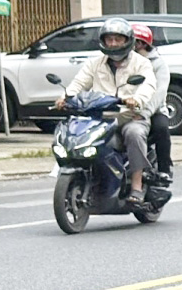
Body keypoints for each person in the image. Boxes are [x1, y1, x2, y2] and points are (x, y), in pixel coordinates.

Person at [55, 17, 157, 202]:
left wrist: (136, 100)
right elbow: (79, 83)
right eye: (109, 39)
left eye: (118, 39)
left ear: (128, 41)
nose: (113, 43)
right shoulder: (95, 63)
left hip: (129, 116)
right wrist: (65, 97)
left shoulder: (141, 63)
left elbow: (148, 85)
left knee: (134, 134)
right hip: (99, 118)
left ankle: (136, 185)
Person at [130, 23, 172, 181]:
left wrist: (144, 113)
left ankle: (164, 169)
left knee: (161, 129)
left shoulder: (159, 64)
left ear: (141, 44)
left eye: (130, 41)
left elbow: (159, 92)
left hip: (152, 110)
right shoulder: (123, 61)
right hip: (124, 109)